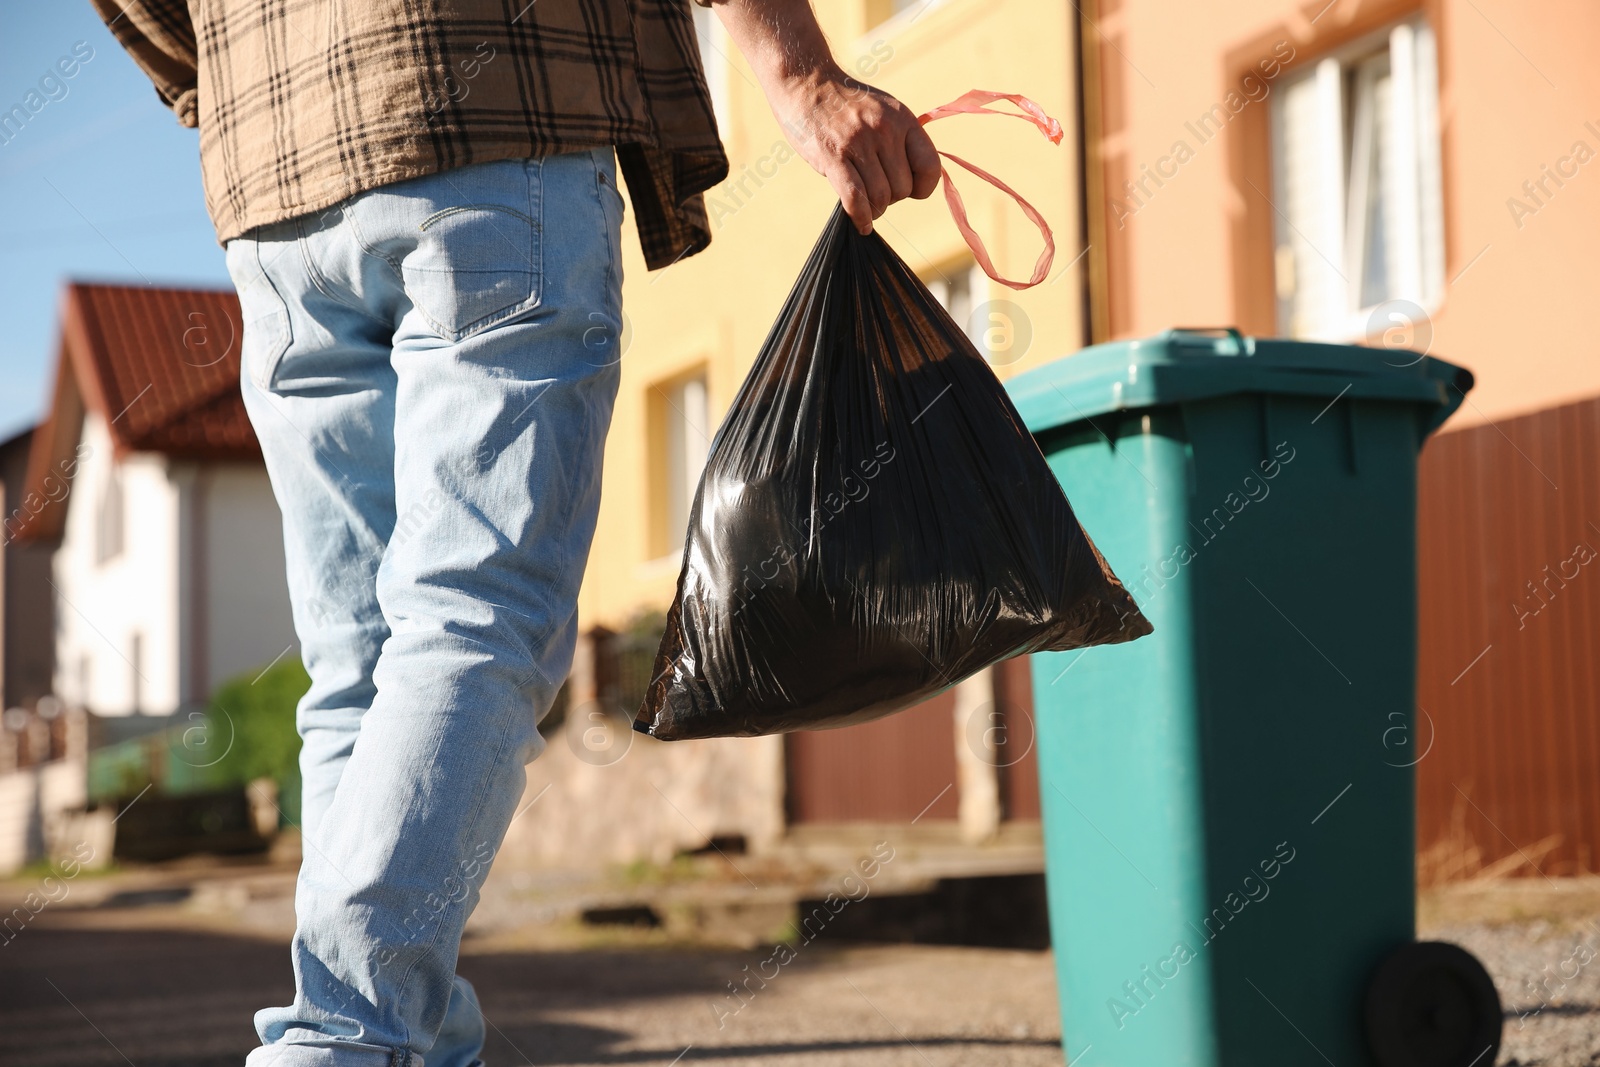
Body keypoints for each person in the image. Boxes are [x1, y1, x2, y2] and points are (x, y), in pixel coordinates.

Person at [93, 0, 940, 1063]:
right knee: (475, 615)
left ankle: (407, 1041)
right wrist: (802, 72)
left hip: (274, 172)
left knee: (361, 664)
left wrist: (231, 75)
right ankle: (343, 1037)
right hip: (494, 114)